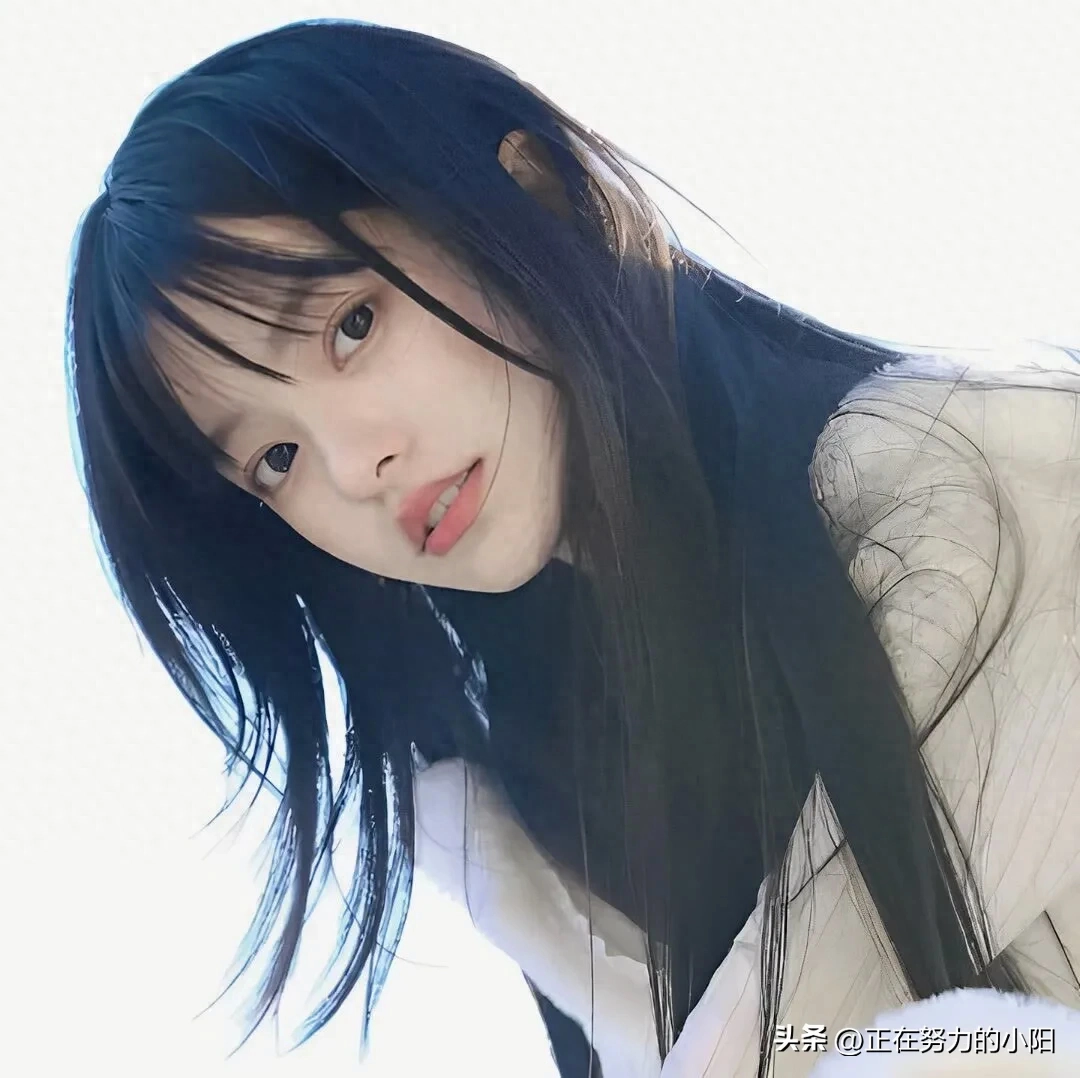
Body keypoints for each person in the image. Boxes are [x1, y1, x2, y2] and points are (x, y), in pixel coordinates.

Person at [64, 18, 1080, 1078]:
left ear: (536, 189)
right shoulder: (551, 824)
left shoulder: (997, 483)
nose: (356, 465)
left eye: (351, 326)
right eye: (275, 458)